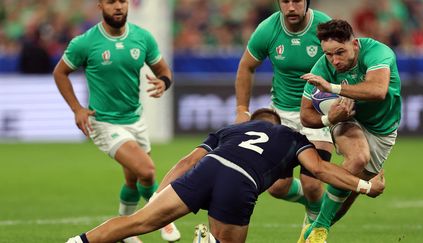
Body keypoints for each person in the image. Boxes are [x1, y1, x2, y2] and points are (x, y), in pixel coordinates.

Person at [65, 108, 385, 243]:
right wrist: (364, 185)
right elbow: (319, 169)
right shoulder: (290, 137)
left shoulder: (231, 129)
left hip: (210, 168)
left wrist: (159, 199)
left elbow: (187, 161)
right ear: (276, 121)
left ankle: (77, 242)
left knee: (140, 222)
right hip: (241, 181)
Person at [52, 0, 180, 242]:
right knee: (147, 170)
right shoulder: (85, 42)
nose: (118, 6)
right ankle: (166, 219)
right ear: (100, 5)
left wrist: (163, 82)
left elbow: (164, 69)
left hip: (135, 119)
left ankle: (123, 234)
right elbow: (60, 72)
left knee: (132, 181)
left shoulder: (142, 38)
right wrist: (77, 108)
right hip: (104, 123)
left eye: (122, 1)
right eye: (111, 2)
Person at [298, 19, 401, 243]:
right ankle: (319, 232)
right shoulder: (321, 67)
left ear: (354, 44)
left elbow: (378, 90)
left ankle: (313, 230)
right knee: (357, 158)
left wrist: (332, 87)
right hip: (348, 119)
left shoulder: (378, 53)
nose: (334, 61)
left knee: (345, 197)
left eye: (340, 52)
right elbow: (305, 115)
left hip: (383, 129)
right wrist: (329, 118)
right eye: (328, 54)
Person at [235, 0, 333, 225]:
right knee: (278, 188)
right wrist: (242, 109)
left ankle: (314, 231)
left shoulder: (324, 27)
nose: (291, 7)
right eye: (285, 1)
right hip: (283, 115)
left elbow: (346, 61)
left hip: (318, 112)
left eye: (297, 1)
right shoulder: (268, 29)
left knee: (312, 182)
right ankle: (318, 206)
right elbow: (246, 66)